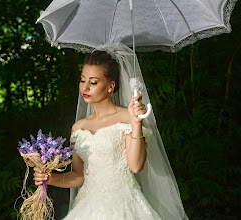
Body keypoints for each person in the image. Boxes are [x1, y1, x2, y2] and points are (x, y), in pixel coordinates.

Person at [33, 43, 188, 219]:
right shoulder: (78, 128)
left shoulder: (128, 118)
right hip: (87, 209)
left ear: (110, 86)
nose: (85, 88)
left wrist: (136, 123)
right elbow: (79, 176)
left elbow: (136, 166)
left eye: (93, 82)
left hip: (124, 207)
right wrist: (50, 179)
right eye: (82, 80)